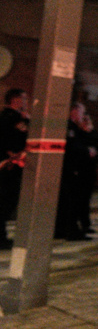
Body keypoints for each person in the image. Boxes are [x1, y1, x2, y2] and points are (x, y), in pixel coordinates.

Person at [55, 103, 98, 241]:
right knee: (71, 202)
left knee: (67, 202)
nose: (83, 116)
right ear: (74, 112)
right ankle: (71, 231)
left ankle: (62, 229)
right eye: (81, 112)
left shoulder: (75, 127)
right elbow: (71, 146)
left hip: (74, 169)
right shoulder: (70, 127)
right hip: (71, 169)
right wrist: (87, 151)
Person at [0, 88, 29, 250]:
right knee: (6, 201)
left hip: (13, 163)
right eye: (23, 99)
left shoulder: (15, 117)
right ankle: (1, 236)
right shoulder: (10, 118)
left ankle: (2, 235)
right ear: (15, 100)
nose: (25, 102)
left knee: (7, 201)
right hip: (10, 164)